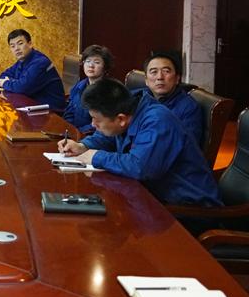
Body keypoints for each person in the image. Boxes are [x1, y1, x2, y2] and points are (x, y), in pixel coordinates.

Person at [58, 78, 220, 207]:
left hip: (186, 208)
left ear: (121, 119)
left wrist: (96, 156)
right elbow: (109, 135)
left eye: (96, 119)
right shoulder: (128, 108)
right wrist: (83, 146)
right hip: (150, 197)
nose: (93, 125)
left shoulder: (157, 121)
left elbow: (140, 167)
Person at [141, 51, 203, 144]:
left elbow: (186, 145)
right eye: (154, 72)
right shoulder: (139, 99)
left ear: (177, 78)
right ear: (146, 80)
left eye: (166, 71)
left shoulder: (189, 108)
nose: (160, 77)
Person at [0, 29, 65, 109]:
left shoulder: (40, 62)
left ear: (30, 44)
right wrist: (15, 83)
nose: (16, 48)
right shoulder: (21, 61)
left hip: (51, 110)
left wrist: (7, 83)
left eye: (20, 44)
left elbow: (22, 88)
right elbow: (1, 77)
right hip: (32, 106)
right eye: (12, 46)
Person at [63, 45, 114, 134]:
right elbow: (69, 112)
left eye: (97, 62)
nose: (91, 65)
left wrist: (78, 132)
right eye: (87, 61)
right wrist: (68, 128)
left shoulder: (108, 91)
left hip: (91, 135)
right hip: (73, 133)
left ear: (105, 67)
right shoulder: (79, 86)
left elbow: (101, 123)